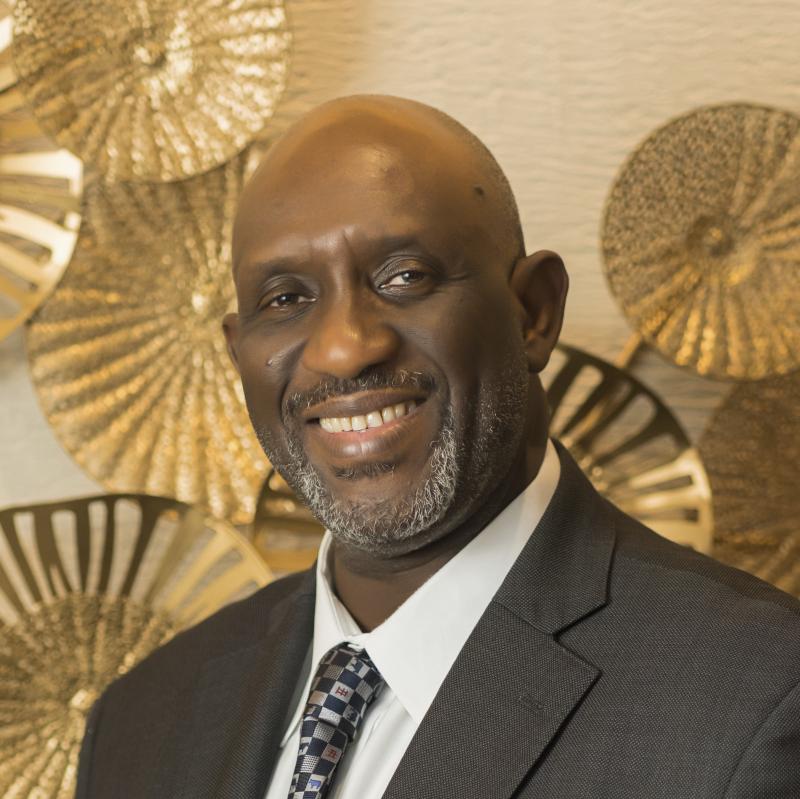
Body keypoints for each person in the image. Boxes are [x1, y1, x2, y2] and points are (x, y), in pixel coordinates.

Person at [76, 96, 800, 798]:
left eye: (403, 277)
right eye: (287, 299)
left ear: (534, 313)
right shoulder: (141, 721)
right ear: (239, 354)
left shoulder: (756, 700)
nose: (343, 349)